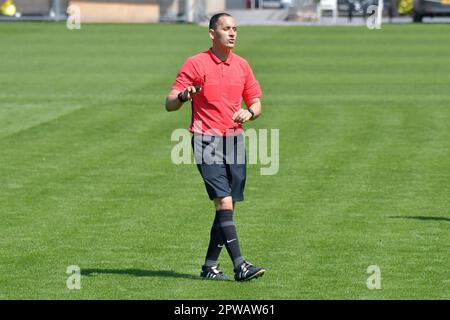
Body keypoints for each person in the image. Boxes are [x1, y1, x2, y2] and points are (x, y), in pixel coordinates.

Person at [165, 13, 265, 281]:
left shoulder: (242, 66)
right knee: (223, 200)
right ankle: (241, 265)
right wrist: (185, 96)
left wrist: (250, 113)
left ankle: (210, 266)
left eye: (235, 29)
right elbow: (170, 102)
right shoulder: (196, 63)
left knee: (228, 206)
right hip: (205, 139)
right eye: (226, 29)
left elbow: (256, 102)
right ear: (212, 33)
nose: (232, 33)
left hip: (234, 139)